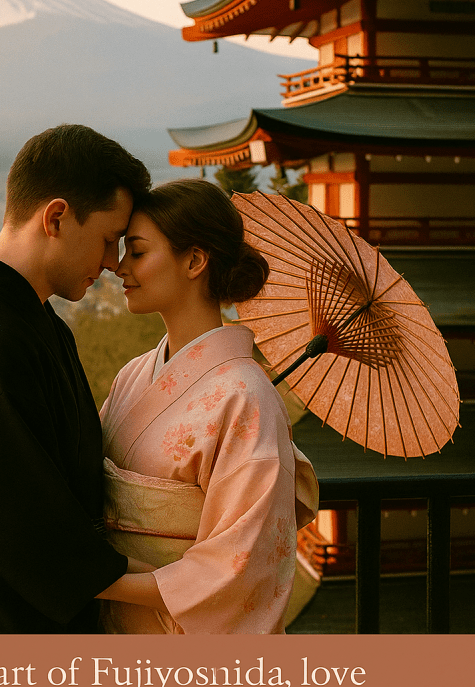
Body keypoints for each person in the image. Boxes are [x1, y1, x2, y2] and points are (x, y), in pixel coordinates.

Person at [0, 124, 151, 633]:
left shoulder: (29, 322)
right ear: (57, 217)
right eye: (109, 240)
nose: (113, 262)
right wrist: (174, 585)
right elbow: (14, 526)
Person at [96, 179, 319, 634]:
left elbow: (236, 573)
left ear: (195, 261)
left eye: (137, 252)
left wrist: (94, 580)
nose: (119, 267)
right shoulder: (133, 375)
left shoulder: (246, 399)